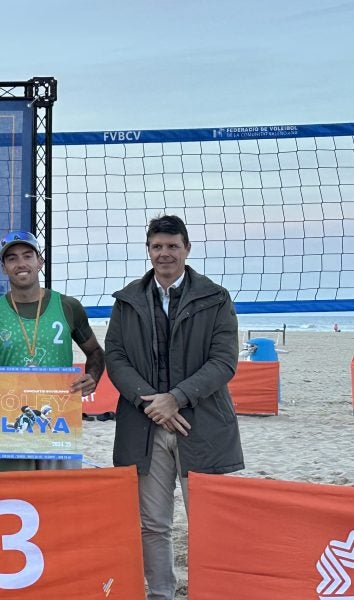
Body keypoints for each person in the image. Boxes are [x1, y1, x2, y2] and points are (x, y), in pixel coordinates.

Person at [105, 214, 243, 600]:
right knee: (152, 522)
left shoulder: (216, 298)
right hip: (144, 424)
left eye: (172, 246)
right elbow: (115, 357)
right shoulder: (127, 299)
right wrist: (151, 402)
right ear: (148, 250)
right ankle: (161, 593)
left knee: (208, 521)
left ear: (187, 249)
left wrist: (175, 398)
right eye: (157, 247)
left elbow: (223, 362)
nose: (164, 254)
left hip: (201, 425)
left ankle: (210, 590)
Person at [0, 230, 104, 470]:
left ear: (40, 261)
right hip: (12, 420)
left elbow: (95, 352)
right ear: (4, 267)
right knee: (17, 495)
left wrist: (93, 377)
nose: (21, 263)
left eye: (27, 255)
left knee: (60, 500)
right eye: (12, 258)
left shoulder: (67, 306)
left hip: (59, 419)